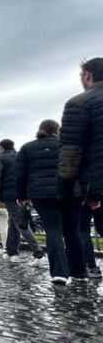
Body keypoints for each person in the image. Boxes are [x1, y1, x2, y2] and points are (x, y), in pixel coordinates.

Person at [17, 119, 84, 284]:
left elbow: (20, 174)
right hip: (71, 192)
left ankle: (59, 273)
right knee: (72, 231)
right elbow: (81, 169)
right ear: (57, 130)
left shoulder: (27, 148)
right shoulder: (68, 145)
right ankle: (79, 272)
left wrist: (21, 195)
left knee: (53, 230)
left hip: (42, 194)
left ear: (40, 130)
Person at [59, 57, 103, 292]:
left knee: (78, 229)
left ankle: (80, 271)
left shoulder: (79, 103)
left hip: (94, 184)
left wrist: (66, 189)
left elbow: (70, 152)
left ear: (87, 75)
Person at [0, 139, 45, 262]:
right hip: (25, 193)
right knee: (13, 223)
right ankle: (12, 252)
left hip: (10, 194)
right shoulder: (21, 157)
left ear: (1, 148)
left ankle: (37, 250)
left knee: (19, 221)